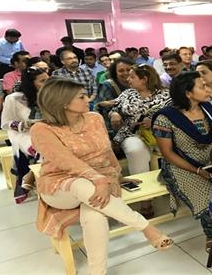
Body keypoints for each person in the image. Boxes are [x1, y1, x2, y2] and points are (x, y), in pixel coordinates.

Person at [30, 78, 173, 275]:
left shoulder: (95, 118)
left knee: (94, 215)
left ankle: (97, 272)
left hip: (101, 179)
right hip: (60, 185)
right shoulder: (42, 129)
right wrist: (97, 179)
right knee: (82, 184)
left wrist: (116, 175)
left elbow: (107, 152)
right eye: (81, 96)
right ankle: (146, 227)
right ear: (63, 102)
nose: (88, 98)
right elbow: (64, 161)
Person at [153, 72, 212, 256]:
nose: (208, 89)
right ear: (188, 93)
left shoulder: (211, 109)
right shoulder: (165, 118)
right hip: (181, 165)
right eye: (202, 86)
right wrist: (197, 170)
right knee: (207, 193)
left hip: (211, 161)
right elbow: (167, 154)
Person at [109, 65, 170, 175]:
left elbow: (174, 115)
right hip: (131, 133)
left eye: (132, 77)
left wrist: (155, 121)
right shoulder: (128, 93)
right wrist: (114, 113)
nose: (128, 79)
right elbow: (114, 108)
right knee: (136, 151)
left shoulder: (166, 94)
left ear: (144, 79)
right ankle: (142, 183)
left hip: (161, 133)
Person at [2, 66, 48, 202]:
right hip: (22, 133)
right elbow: (5, 123)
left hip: (46, 130)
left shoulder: (49, 95)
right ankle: (36, 179)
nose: (47, 83)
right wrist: (26, 124)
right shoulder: (14, 99)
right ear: (31, 83)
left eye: (48, 79)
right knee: (42, 150)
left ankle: (32, 176)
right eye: (42, 81)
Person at [96, 57, 132, 139]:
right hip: (116, 128)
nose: (126, 73)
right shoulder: (107, 85)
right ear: (115, 73)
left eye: (128, 69)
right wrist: (114, 113)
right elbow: (104, 108)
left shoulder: (139, 83)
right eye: (121, 71)